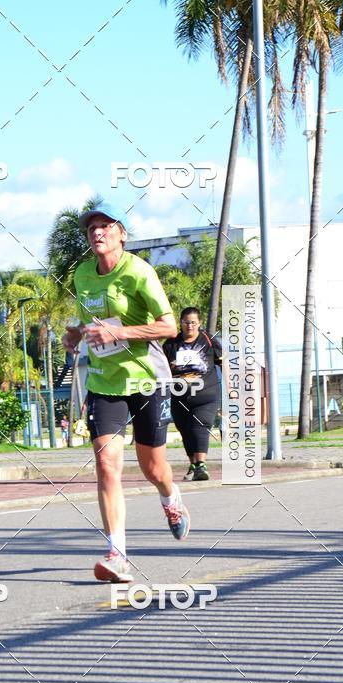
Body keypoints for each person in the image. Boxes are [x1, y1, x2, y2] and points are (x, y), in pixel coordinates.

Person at [62, 201, 191, 585]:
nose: (97, 233)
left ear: (121, 233)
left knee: (153, 468)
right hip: (105, 383)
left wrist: (120, 332)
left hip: (147, 379)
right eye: (91, 229)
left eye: (105, 226)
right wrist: (75, 333)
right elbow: (90, 321)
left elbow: (168, 326)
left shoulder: (139, 272)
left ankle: (170, 497)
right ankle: (117, 553)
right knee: (106, 465)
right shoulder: (83, 274)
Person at [163, 307, 222, 481]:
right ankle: (194, 465)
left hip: (206, 394)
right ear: (180, 323)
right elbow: (162, 368)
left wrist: (232, 388)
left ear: (200, 323)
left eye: (193, 323)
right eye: (186, 322)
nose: (190, 326)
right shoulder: (170, 343)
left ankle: (201, 464)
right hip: (178, 395)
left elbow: (222, 363)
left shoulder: (208, 340)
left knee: (200, 425)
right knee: (185, 430)